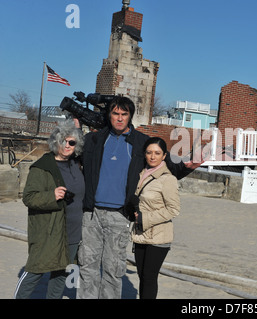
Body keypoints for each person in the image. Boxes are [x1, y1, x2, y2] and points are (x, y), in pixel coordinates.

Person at [77, 96, 201, 299]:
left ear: (130, 117)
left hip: (120, 216)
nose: (119, 118)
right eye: (115, 113)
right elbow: (70, 158)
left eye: (124, 114)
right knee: (87, 266)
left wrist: (187, 168)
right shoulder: (94, 139)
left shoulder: (142, 143)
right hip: (92, 214)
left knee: (112, 269)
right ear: (109, 115)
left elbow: (167, 168)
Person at [14, 120, 84, 299]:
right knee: (35, 271)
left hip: (73, 232)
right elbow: (28, 197)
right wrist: (51, 195)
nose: (67, 146)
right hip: (49, 231)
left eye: (72, 142)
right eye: (63, 141)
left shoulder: (76, 165)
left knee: (61, 274)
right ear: (55, 142)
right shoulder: (42, 167)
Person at [131, 137, 179, 299]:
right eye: (149, 152)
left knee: (149, 278)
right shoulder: (140, 174)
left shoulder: (168, 179)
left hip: (159, 236)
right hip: (139, 234)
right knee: (142, 277)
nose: (153, 156)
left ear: (164, 156)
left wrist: (145, 218)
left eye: (157, 153)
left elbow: (174, 209)